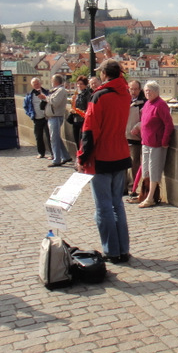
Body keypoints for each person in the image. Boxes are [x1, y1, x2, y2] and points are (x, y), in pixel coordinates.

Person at [77, 59, 132, 263]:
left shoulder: (99, 96)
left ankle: (111, 251)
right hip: (121, 154)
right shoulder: (125, 93)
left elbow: (90, 130)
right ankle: (123, 249)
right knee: (117, 204)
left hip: (101, 156)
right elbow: (122, 79)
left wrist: (82, 157)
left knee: (103, 207)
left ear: (103, 74)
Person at [137, 81, 174, 208]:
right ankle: (144, 194)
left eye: (150, 90)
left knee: (154, 171)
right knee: (145, 170)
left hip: (156, 144)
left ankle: (151, 197)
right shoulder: (147, 103)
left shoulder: (161, 105)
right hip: (146, 142)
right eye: (146, 91)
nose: (147, 93)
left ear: (157, 92)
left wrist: (164, 141)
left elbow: (169, 124)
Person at [124, 79, 146, 198]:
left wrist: (138, 127)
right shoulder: (124, 100)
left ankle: (132, 187)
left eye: (135, 89)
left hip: (135, 137)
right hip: (123, 136)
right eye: (131, 89)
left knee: (134, 162)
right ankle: (123, 186)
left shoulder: (144, 102)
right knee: (123, 163)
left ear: (139, 90)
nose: (133, 91)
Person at [46, 74, 72, 167]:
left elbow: (55, 103)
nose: (51, 82)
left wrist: (45, 98)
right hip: (52, 116)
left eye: (52, 80)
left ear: (56, 81)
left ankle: (56, 160)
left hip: (56, 116)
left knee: (54, 139)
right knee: (56, 138)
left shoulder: (61, 90)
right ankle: (66, 156)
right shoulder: (55, 90)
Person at [23, 77, 52, 159]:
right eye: (34, 84)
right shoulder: (29, 94)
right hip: (36, 118)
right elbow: (25, 106)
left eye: (37, 83)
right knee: (38, 136)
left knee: (49, 136)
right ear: (32, 85)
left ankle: (52, 153)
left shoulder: (46, 92)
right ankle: (41, 153)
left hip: (46, 117)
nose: (36, 85)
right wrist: (30, 114)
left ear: (40, 83)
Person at [70, 76, 91, 149]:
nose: (79, 86)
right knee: (76, 139)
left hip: (83, 120)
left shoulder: (87, 94)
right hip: (76, 119)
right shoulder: (77, 94)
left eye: (81, 84)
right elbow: (74, 106)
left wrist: (79, 110)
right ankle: (78, 154)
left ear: (85, 84)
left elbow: (89, 108)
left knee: (82, 139)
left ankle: (81, 155)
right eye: (78, 84)